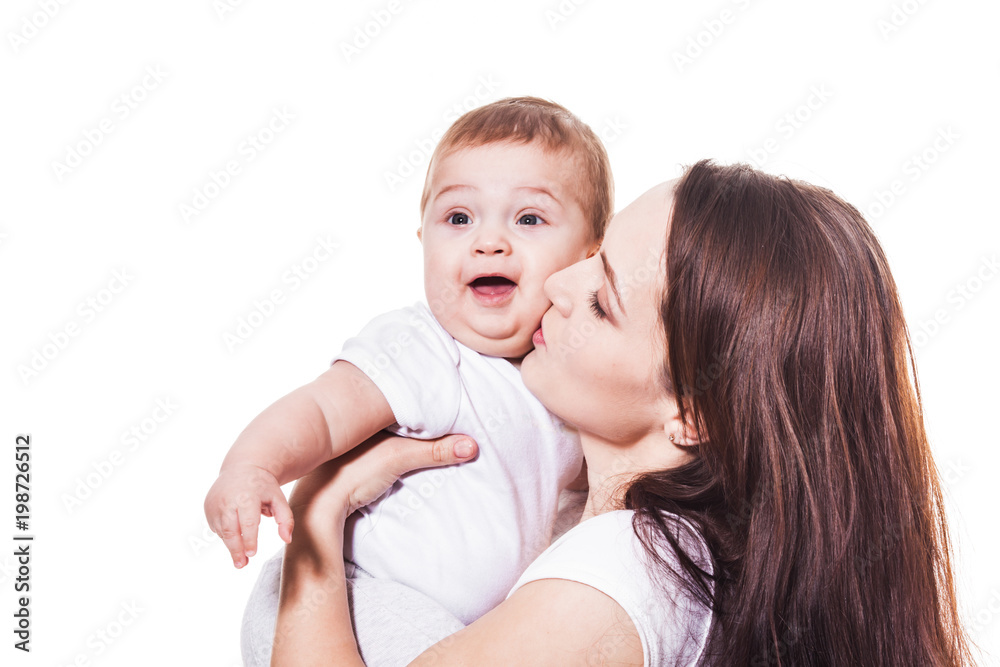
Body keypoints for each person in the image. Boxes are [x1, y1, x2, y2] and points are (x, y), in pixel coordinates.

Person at [272, 160, 973, 666]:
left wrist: (316, 521)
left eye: (605, 301)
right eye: (598, 253)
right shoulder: (684, 559)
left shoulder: (620, 571)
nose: (557, 281)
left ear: (693, 415)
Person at [202, 97, 615, 664]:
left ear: (590, 257)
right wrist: (252, 466)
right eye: (459, 218)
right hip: (349, 593)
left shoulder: (569, 380)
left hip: (432, 620)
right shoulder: (425, 348)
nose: (488, 241)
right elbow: (322, 411)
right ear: (423, 240)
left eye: (528, 219)